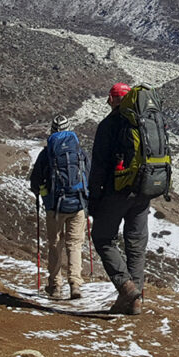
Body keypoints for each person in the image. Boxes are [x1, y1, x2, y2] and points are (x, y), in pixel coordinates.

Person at [89, 82, 151, 315]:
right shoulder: (145, 123)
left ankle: (126, 288)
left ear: (115, 100)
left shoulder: (108, 125)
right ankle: (135, 301)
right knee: (136, 245)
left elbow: (99, 166)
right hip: (143, 193)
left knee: (102, 237)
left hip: (117, 192)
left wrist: (93, 199)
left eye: (110, 97)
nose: (107, 101)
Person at [29, 114, 89, 300]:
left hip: (54, 206)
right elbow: (89, 175)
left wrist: (41, 193)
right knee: (74, 244)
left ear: (52, 132)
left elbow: (35, 181)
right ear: (69, 129)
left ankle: (55, 286)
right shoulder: (79, 152)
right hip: (78, 204)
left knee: (55, 244)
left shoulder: (47, 154)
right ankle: (75, 284)